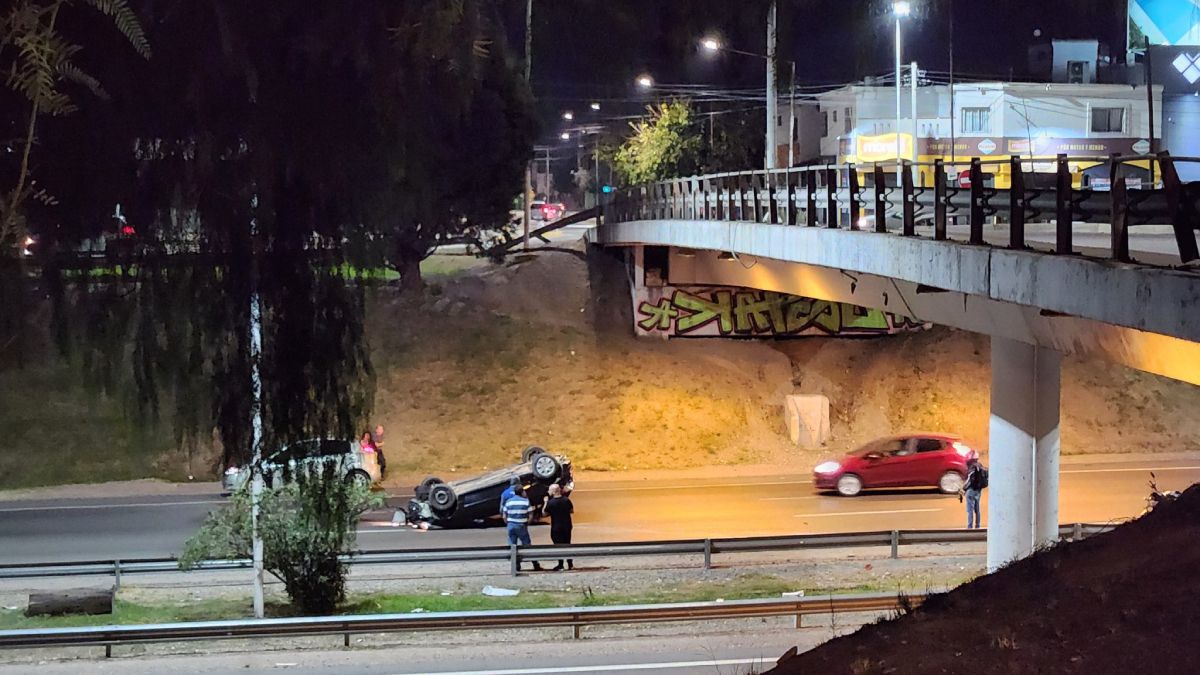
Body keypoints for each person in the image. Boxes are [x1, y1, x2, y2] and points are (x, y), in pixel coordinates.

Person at [502, 485, 541, 571]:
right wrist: (528, 523)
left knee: (513, 545)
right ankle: (535, 563)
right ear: (522, 492)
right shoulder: (526, 502)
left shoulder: (508, 502)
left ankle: (516, 565)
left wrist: (508, 523)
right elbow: (531, 515)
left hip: (511, 525)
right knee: (527, 545)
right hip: (521, 525)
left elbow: (504, 515)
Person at [543, 483, 574, 571]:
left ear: (553, 491)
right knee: (568, 544)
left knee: (558, 545)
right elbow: (571, 510)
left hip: (556, 527)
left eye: (549, 490)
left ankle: (560, 564)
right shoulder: (566, 500)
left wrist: (545, 502)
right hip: (567, 526)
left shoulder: (550, 503)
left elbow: (544, 514)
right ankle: (570, 564)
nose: (548, 491)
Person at [960, 458, 988, 529]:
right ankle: (977, 526)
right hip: (978, 491)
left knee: (970, 510)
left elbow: (968, 481)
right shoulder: (980, 467)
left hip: (970, 491)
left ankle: (970, 527)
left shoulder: (972, 469)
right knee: (977, 510)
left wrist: (962, 488)